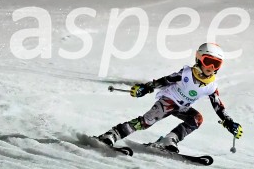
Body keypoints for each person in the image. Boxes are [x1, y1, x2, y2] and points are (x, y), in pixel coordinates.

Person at [97, 43, 243, 152]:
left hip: (182, 107)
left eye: (216, 64)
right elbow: (164, 81)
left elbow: (218, 106)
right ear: (198, 59)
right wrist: (146, 88)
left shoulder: (211, 86)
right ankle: (113, 134)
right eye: (207, 61)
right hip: (168, 101)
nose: (211, 67)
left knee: (197, 119)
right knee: (146, 122)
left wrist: (229, 122)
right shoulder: (185, 74)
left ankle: (169, 140)